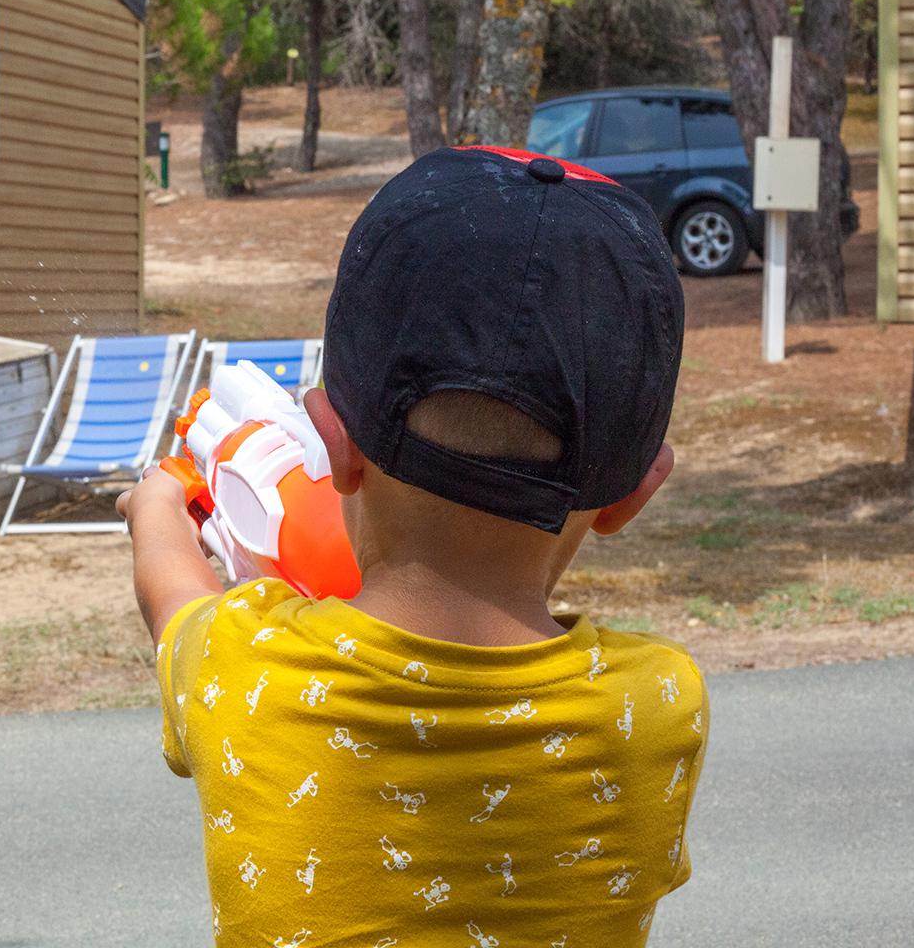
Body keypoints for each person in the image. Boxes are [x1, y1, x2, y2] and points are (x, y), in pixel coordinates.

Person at [121, 146, 707, 946]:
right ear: (635, 493)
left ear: (333, 443)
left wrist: (156, 500)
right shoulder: (660, 706)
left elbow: (171, 593)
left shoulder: (243, 667)